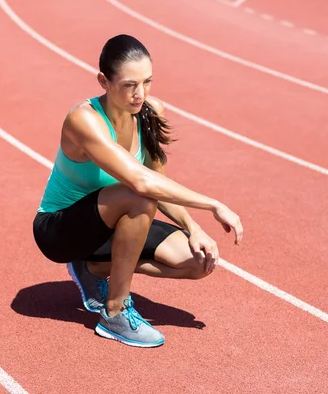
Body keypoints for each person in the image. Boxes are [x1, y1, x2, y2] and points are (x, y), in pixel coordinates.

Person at [32, 34, 243, 348]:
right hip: (60, 230)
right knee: (138, 195)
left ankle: (90, 268)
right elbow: (142, 184)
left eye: (147, 82)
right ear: (104, 81)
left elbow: (158, 181)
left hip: (111, 227)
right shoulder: (84, 121)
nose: (140, 94)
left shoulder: (150, 112)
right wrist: (212, 204)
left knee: (199, 262)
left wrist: (193, 227)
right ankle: (115, 312)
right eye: (130, 84)